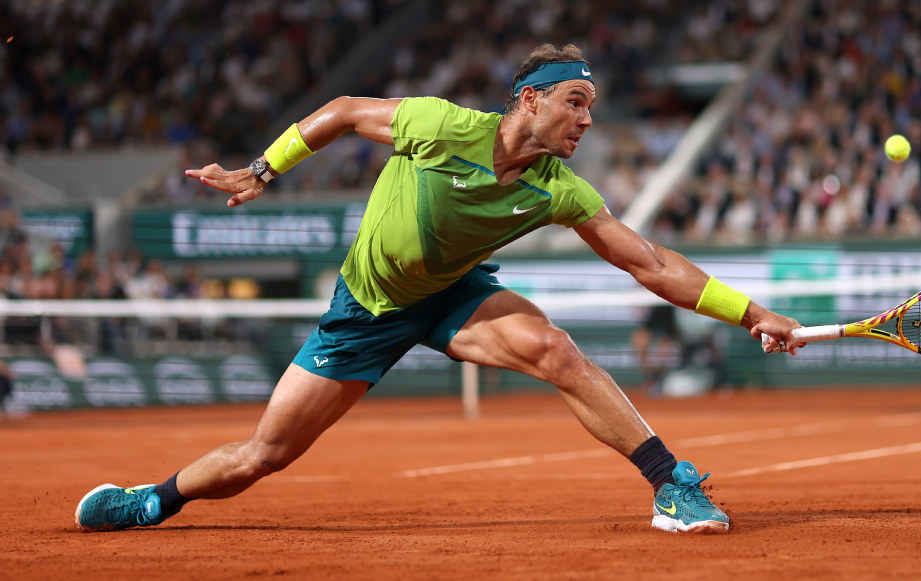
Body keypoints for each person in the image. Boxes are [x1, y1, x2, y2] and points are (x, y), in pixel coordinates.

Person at [74, 44, 803, 535]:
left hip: (455, 296)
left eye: (591, 107)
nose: (587, 119)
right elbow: (344, 109)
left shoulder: (559, 189)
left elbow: (651, 262)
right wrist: (263, 170)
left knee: (556, 349)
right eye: (575, 102)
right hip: (364, 312)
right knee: (263, 454)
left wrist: (752, 313)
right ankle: (152, 500)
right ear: (529, 100)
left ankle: (671, 484)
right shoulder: (440, 125)